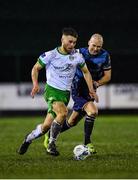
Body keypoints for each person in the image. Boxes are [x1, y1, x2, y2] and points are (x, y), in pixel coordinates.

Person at [17, 27, 98, 156]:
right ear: (62, 39)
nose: (72, 45)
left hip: (65, 94)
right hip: (52, 91)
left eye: (74, 43)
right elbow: (35, 68)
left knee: (45, 127)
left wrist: (91, 90)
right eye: (70, 42)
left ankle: (28, 139)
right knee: (63, 113)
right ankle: (51, 144)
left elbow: (86, 72)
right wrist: (35, 84)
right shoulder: (50, 55)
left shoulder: (77, 56)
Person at [43, 33, 111, 154]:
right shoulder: (78, 53)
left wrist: (97, 83)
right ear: (89, 42)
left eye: (99, 47)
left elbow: (108, 76)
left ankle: (50, 134)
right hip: (77, 88)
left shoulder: (105, 56)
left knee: (72, 122)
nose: (96, 49)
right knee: (93, 111)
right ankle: (87, 143)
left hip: (90, 89)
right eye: (94, 45)